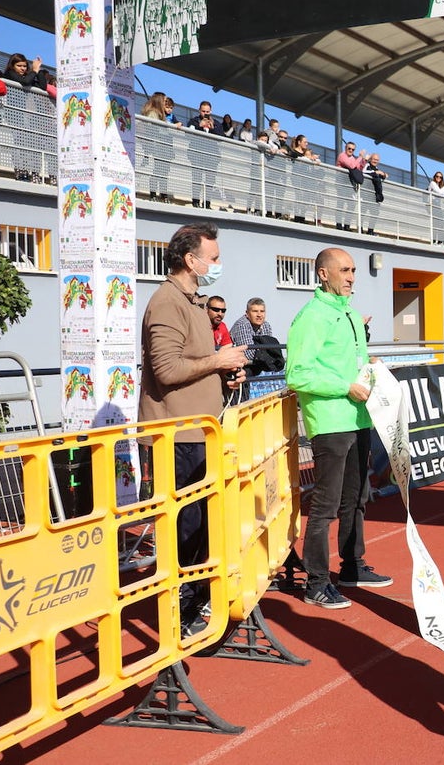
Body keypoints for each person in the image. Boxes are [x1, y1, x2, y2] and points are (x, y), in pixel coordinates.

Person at [138, 222, 248, 637]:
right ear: (190, 260)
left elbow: (193, 364)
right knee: (182, 529)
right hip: (177, 437)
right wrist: (217, 363)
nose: (218, 264)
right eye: (214, 258)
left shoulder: (194, 301)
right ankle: (176, 616)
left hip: (200, 433)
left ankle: (195, 604)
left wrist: (223, 375)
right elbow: (166, 370)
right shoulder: (167, 302)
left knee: (201, 526)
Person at [286, 247, 393, 608]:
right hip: (331, 422)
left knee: (357, 499)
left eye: (353, 271)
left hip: (358, 418)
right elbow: (298, 373)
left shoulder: (346, 311)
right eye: (344, 270)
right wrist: (345, 386)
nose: (351, 277)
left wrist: (369, 364)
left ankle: (352, 566)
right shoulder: (312, 316)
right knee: (325, 506)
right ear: (323, 275)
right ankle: (316, 582)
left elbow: (347, 361)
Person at [230, 297, 275, 371]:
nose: (259, 315)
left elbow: (271, 350)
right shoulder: (242, 324)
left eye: (262, 311)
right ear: (247, 313)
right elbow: (249, 354)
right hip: (238, 368)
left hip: (256, 366)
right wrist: (265, 355)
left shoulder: (266, 325)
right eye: (255, 311)